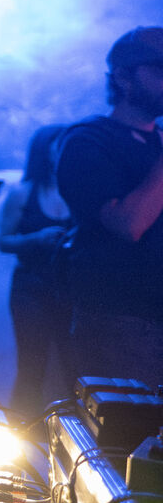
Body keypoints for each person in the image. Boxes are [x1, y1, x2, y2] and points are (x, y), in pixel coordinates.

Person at [56, 26, 163, 387]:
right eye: (160, 69)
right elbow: (129, 224)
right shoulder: (88, 140)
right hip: (124, 322)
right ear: (123, 77)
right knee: (130, 423)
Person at [0, 124, 72, 411]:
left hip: (70, 289)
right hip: (30, 288)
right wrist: (36, 239)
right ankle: (22, 431)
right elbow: (3, 241)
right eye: (59, 144)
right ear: (44, 150)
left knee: (73, 369)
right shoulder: (22, 193)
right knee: (31, 367)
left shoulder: (76, 191)